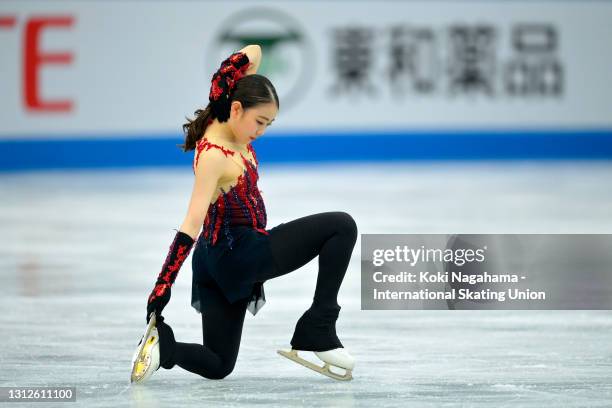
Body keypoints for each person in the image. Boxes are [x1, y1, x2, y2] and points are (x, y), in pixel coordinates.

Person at [130, 44, 358, 383]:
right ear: (237, 109)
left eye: (269, 123)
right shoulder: (214, 156)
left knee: (220, 364)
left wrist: (228, 81)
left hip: (216, 260)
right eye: (259, 121)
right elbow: (192, 222)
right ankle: (319, 326)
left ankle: (167, 348)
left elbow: (254, 51)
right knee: (341, 226)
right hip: (240, 252)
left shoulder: (225, 116)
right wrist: (162, 286)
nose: (261, 131)